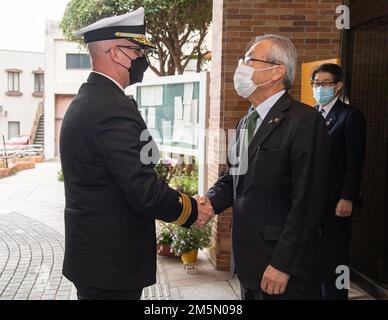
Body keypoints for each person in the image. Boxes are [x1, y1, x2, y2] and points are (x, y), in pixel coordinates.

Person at [60, 8, 213, 300]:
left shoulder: (96, 100)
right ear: (116, 53)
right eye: (137, 50)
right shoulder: (109, 108)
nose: (143, 58)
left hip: (99, 260)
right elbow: (144, 190)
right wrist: (192, 210)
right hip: (111, 264)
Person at [199, 34, 330, 300]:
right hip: (249, 264)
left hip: (282, 270)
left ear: (277, 71)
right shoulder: (245, 121)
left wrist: (282, 264)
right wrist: (208, 203)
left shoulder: (305, 122)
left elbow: (308, 203)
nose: (242, 66)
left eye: (249, 60)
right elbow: (234, 177)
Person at [311, 63, 366, 300]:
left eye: (325, 84)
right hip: (313, 203)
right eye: (316, 84)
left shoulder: (349, 116)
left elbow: (355, 161)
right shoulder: (311, 115)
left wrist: (347, 197)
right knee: (315, 260)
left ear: (338, 86)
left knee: (336, 260)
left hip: (337, 204)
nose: (319, 88)